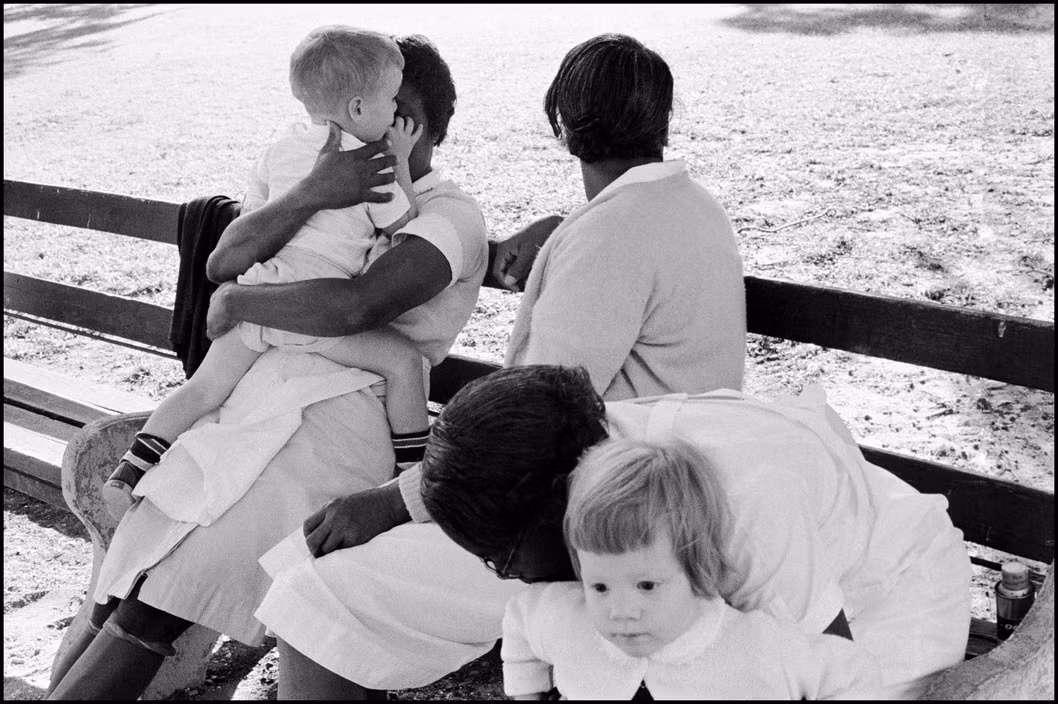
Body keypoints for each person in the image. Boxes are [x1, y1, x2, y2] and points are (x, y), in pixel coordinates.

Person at [249, 33, 748, 699]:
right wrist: (562, 234)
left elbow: (533, 426)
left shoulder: (610, 234)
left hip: (593, 522)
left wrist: (394, 501)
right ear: (663, 119)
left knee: (318, 591)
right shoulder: (688, 207)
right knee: (317, 570)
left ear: (560, 126)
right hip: (655, 486)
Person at [46, 34, 488, 700]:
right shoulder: (325, 175)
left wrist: (243, 302)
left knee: (172, 586)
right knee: (137, 564)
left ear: (412, 125)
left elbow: (356, 306)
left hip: (344, 418)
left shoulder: (449, 215)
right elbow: (221, 259)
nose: (342, 129)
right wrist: (313, 191)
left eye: (368, 114)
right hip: (253, 398)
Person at [422, 365, 973, 699]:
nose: (515, 578)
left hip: (886, 596)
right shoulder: (589, 449)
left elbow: (826, 675)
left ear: (557, 499)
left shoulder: (743, 502)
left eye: (505, 558)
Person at [102, 26, 430, 521]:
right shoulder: (374, 162)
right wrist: (401, 160)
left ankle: (128, 470)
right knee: (404, 363)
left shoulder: (279, 149)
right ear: (360, 109)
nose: (394, 112)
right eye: (389, 99)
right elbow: (404, 224)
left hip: (258, 293)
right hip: (310, 310)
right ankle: (414, 476)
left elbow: (252, 220)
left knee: (202, 390)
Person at [502, 435, 882, 700]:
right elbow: (521, 619)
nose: (620, 611)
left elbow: (853, 674)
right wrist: (526, 691)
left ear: (697, 568)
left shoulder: (757, 647)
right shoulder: (569, 623)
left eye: (646, 586)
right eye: (599, 586)